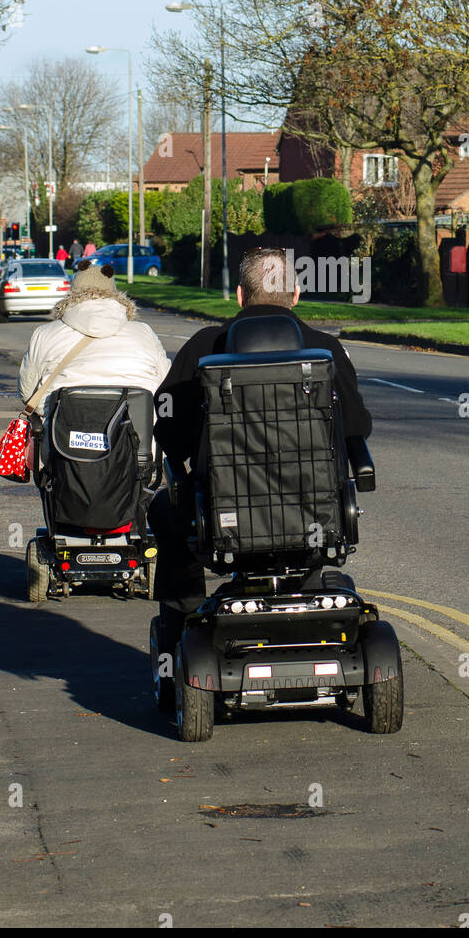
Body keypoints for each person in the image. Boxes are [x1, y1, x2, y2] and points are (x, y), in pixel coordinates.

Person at [151, 246, 372, 643]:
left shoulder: (204, 347)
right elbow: (356, 426)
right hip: (313, 510)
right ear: (296, 294)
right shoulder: (325, 349)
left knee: (163, 511)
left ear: (240, 295)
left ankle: (180, 624)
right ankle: (309, 587)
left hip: (222, 516)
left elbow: (168, 427)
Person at [18, 261, 170, 422]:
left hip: (63, 432)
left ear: (72, 293)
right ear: (115, 293)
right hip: (135, 431)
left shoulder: (45, 333)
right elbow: (166, 381)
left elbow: (28, 391)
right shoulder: (144, 332)